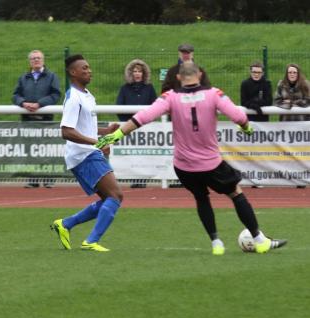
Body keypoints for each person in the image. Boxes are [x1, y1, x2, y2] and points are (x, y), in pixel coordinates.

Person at [96, 63, 287, 255]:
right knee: (235, 193)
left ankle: (216, 243)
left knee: (201, 197)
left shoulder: (170, 97)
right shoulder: (214, 94)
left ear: (179, 78)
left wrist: (116, 135)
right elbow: (239, 116)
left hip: (184, 166)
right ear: (201, 74)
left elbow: (143, 117)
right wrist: (246, 128)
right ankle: (259, 239)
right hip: (210, 163)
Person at [50, 54, 122, 252]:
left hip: (88, 153)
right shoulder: (73, 97)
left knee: (111, 198)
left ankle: (65, 224)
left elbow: (84, 127)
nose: (89, 71)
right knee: (115, 196)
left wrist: (104, 132)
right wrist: (97, 142)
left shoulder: (87, 95)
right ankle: (90, 241)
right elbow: (66, 131)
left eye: (89, 68)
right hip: (84, 155)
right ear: (73, 72)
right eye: (84, 68)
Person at [12, 50, 61, 188]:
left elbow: (56, 94)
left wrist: (40, 103)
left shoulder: (52, 76)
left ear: (43, 60)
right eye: (33, 58)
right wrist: (23, 103)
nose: (36, 60)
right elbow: (15, 95)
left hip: (45, 120)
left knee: (46, 149)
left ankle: (48, 179)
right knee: (31, 149)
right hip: (28, 120)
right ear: (30, 62)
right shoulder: (23, 78)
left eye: (38, 58)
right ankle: (33, 179)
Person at [116, 58, 157, 188]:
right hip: (130, 127)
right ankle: (134, 178)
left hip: (145, 127)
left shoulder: (149, 88)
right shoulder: (124, 89)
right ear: (131, 73)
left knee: (144, 153)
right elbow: (119, 107)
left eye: (140, 71)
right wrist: (127, 123)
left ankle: (143, 178)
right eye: (135, 71)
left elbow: (155, 106)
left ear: (144, 73)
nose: (137, 73)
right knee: (132, 152)